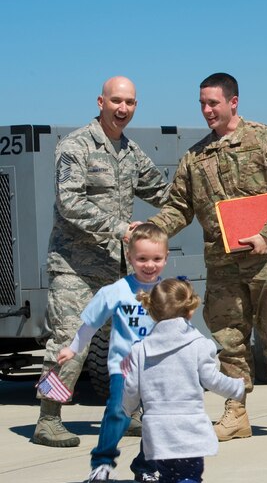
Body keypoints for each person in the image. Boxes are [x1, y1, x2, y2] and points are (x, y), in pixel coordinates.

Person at [148, 72, 267, 441]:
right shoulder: (195, 157)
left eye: (213, 103)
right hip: (222, 263)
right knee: (228, 339)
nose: (207, 110)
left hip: (266, 260)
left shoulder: (266, 138)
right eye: (202, 104)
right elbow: (178, 207)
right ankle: (236, 413)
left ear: (233, 102)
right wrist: (152, 231)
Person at [32, 76, 171, 448]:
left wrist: (198, 204)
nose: (123, 109)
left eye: (130, 103)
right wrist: (121, 229)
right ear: (100, 102)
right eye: (116, 101)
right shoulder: (75, 146)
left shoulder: (129, 151)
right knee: (68, 342)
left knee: (131, 342)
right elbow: (69, 202)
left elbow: (160, 190)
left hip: (117, 269)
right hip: (76, 266)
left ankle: (128, 413)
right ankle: (48, 417)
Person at [122, 278, 245, 483]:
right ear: (190, 310)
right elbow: (212, 381)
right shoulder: (199, 345)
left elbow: (131, 388)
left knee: (166, 477)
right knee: (190, 474)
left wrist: (126, 409)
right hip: (187, 426)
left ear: (152, 310)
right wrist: (237, 388)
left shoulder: (141, 349)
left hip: (157, 429)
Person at [57, 223, 168, 483]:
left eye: (156, 259)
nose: (149, 265)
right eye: (142, 258)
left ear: (166, 258)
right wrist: (72, 348)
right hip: (124, 366)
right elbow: (90, 324)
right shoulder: (116, 290)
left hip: (159, 369)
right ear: (130, 258)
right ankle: (102, 464)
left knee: (157, 420)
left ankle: (147, 468)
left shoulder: (168, 292)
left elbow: (183, 330)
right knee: (117, 412)